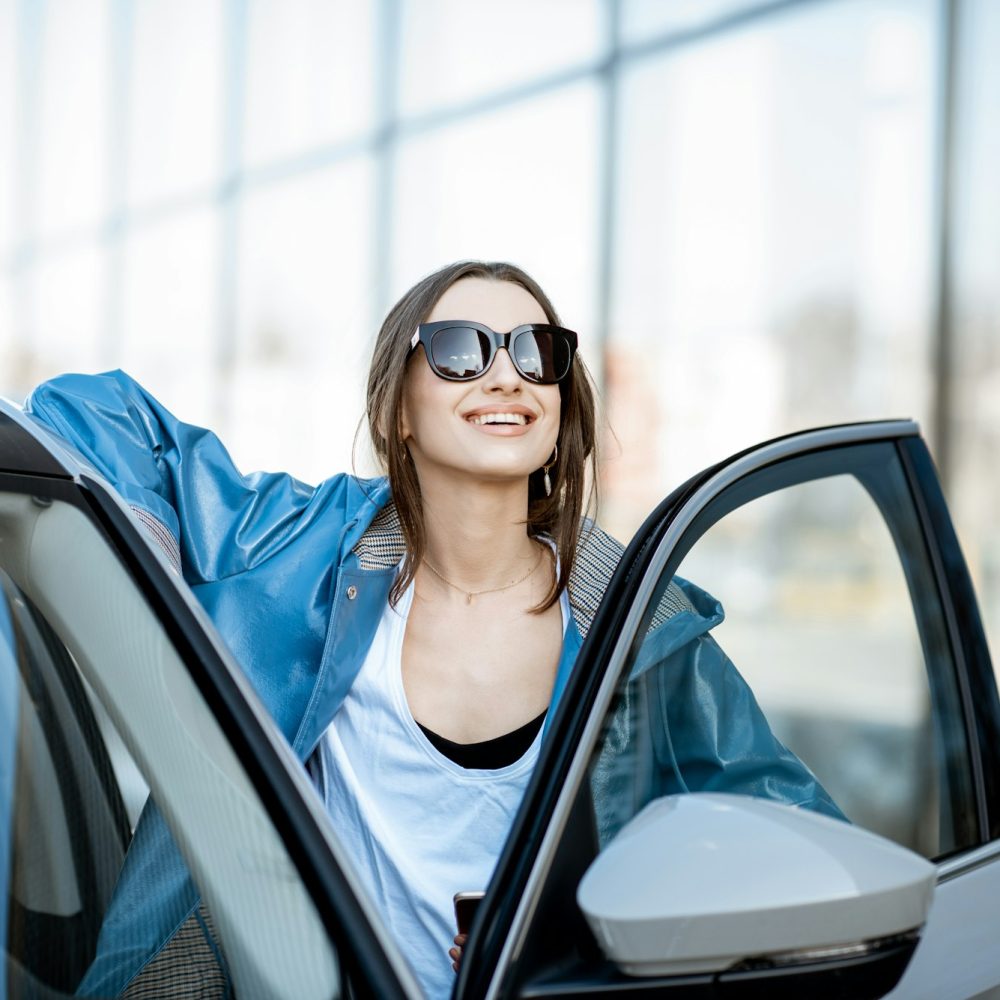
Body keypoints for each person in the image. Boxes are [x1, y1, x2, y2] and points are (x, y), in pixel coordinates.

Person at [25, 260, 842, 999]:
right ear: (399, 407)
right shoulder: (297, 551)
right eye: (459, 348)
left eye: (538, 352)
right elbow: (87, 413)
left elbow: (798, 852)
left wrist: (598, 938)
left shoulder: (643, 625)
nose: (505, 375)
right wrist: (162, 594)